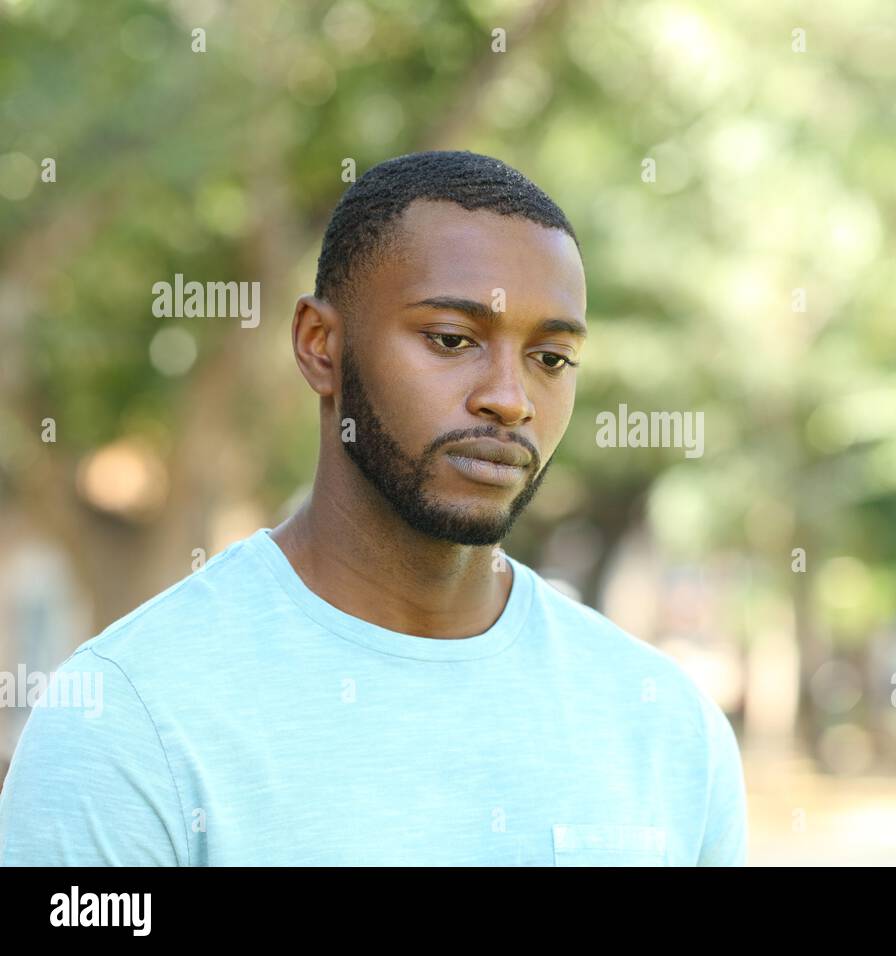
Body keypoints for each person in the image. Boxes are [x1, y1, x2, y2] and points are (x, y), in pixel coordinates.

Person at [0, 150, 747, 866]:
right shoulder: (128, 722)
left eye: (550, 358)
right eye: (452, 339)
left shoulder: (664, 727)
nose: (510, 399)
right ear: (321, 346)